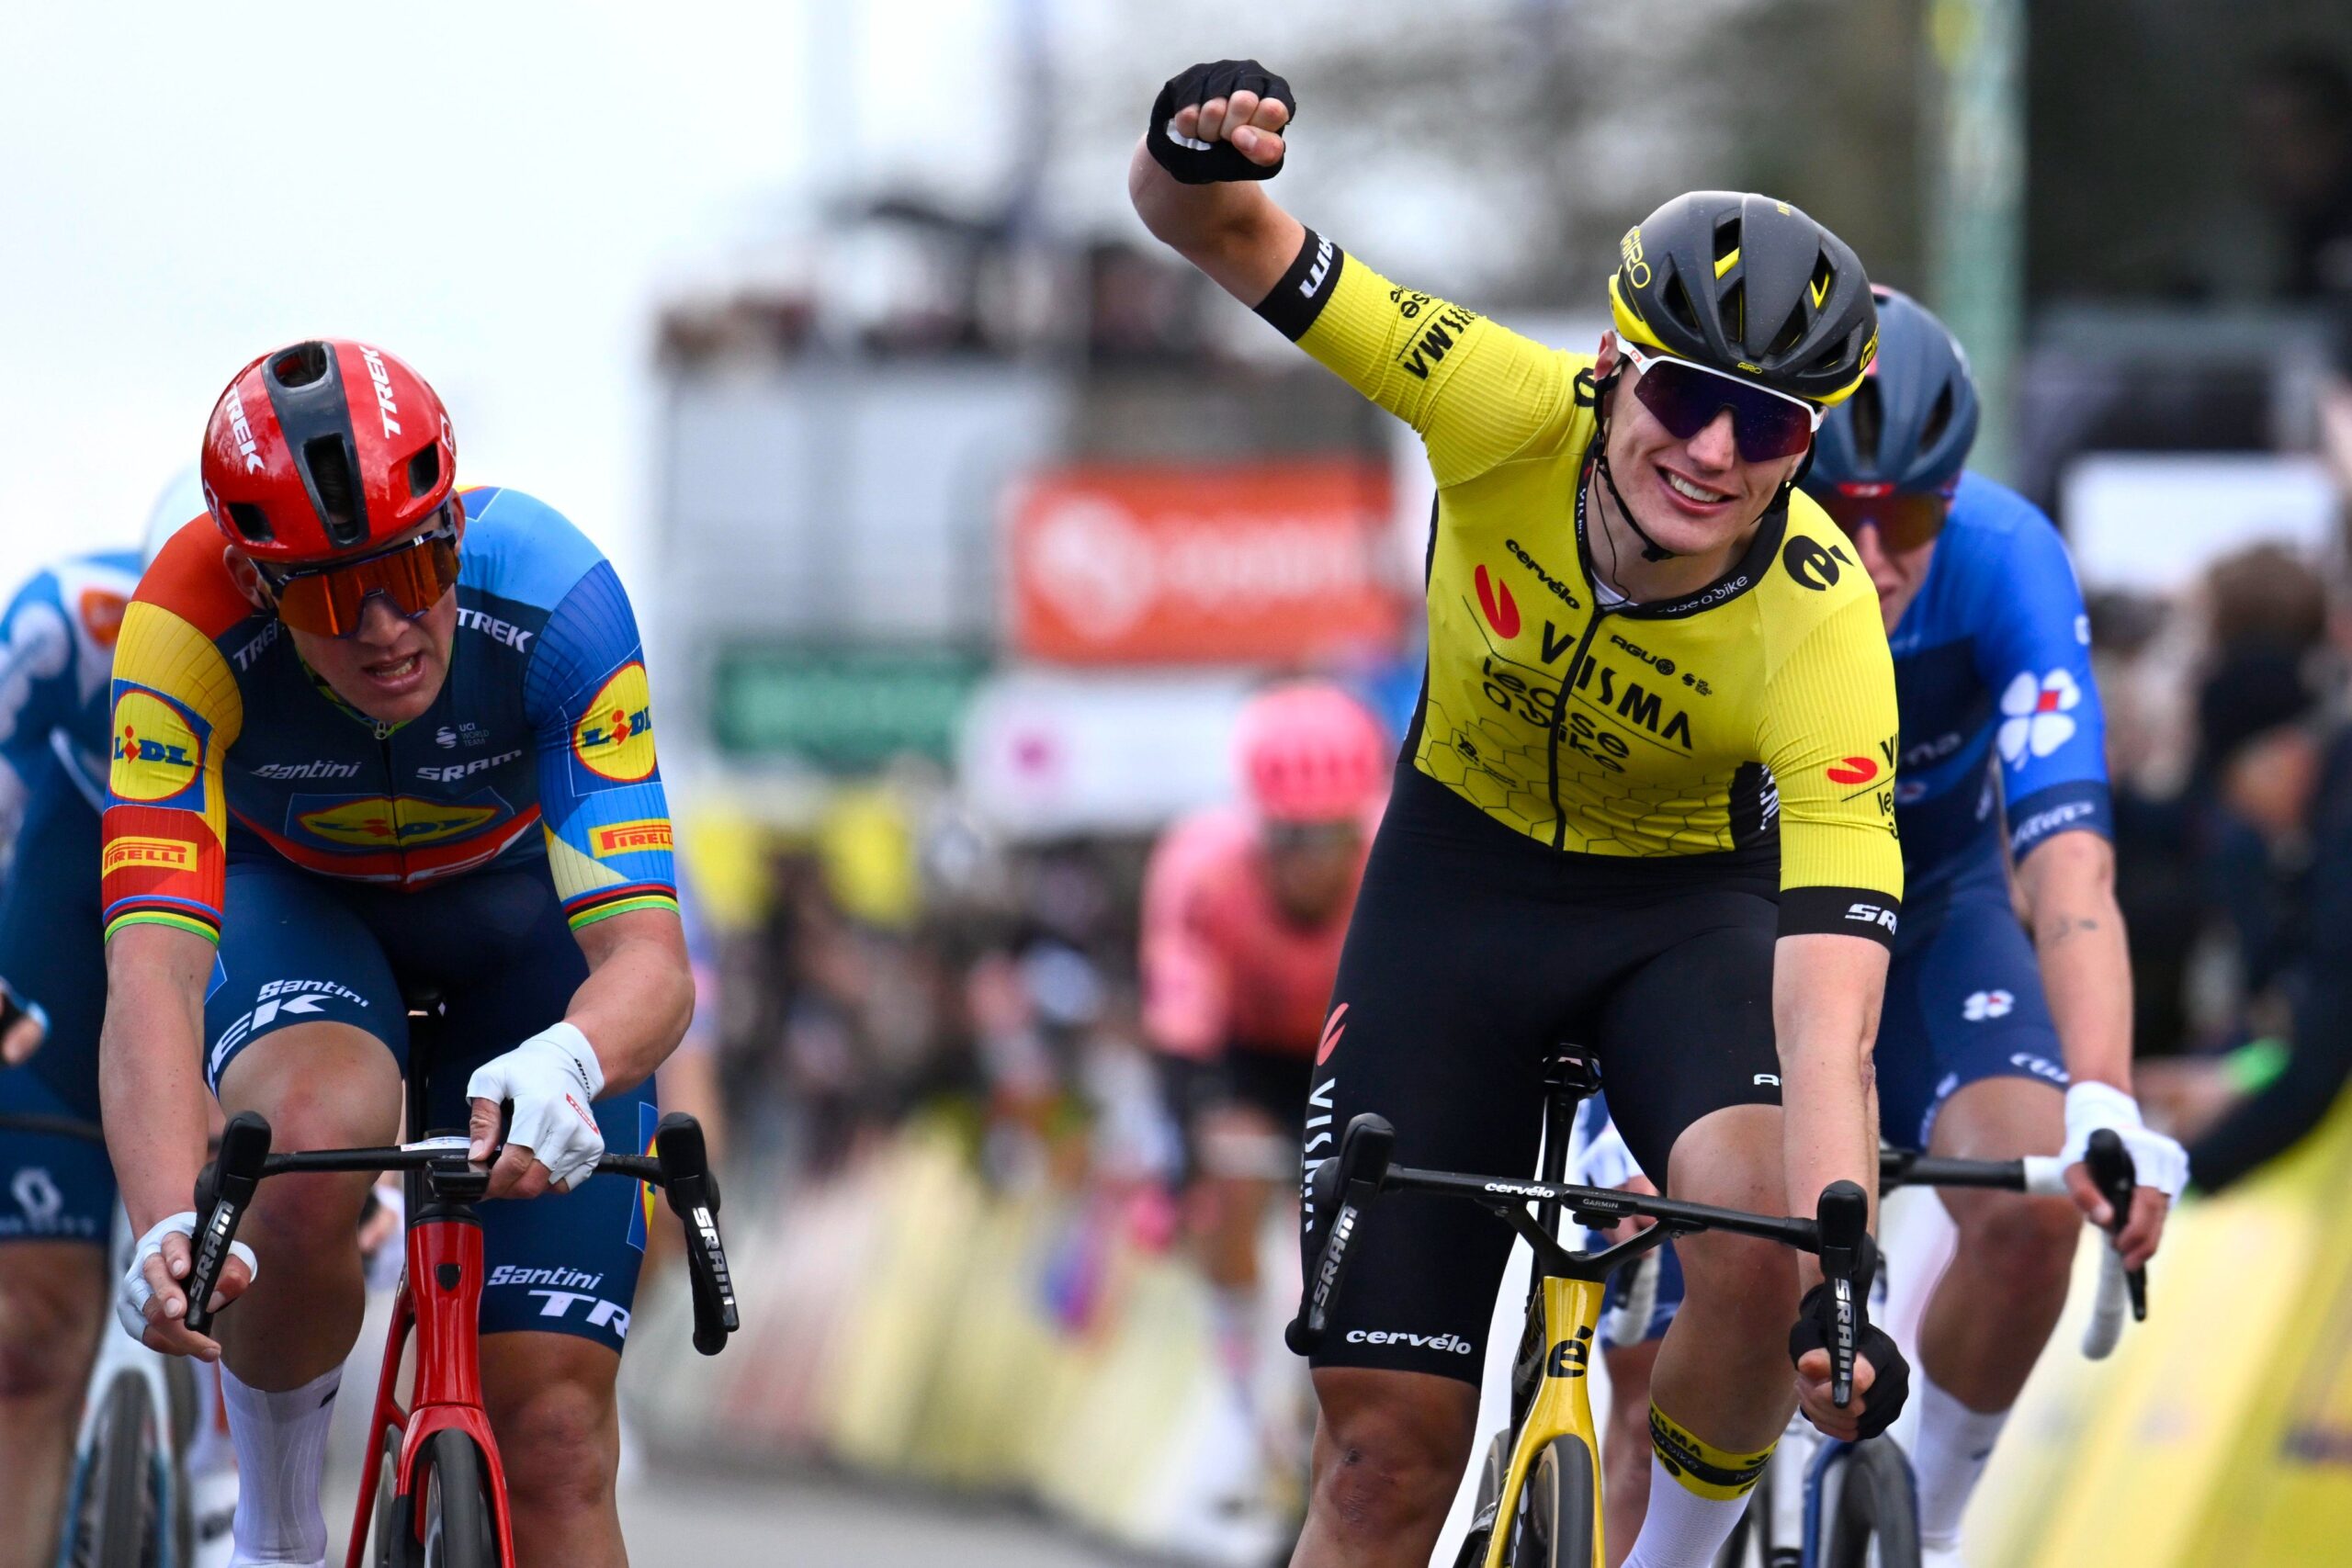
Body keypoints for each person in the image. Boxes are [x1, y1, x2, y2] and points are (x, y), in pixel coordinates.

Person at [1132, 60, 1911, 1568]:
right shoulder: (1494, 401)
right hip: (1458, 888)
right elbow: (1212, 228)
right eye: (1687, 395)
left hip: (1683, 913)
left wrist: (1840, 1270)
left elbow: (1829, 1013)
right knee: (1380, 1463)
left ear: (1810, 444)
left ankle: (1674, 1554)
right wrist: (1187, 152)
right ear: (1615, 364)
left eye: (1769, 426)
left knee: (1759, 1239)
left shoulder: (1821, 624)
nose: (1715, 453)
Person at [1582, 289, 2187, 1568]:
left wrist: (2104, 1094)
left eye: (1906, 517)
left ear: (1949, 499)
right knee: (1664, 1360)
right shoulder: (1695, 550)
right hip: (1715, 926)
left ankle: (1936, 1525)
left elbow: (2068, 858)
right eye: (1835, 510)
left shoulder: (2006, 557)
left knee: (2031, 1205)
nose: (1871, 557)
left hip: (1929, 912)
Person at [100, 340, 693, 1568]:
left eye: (415, 570)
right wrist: (165, 1223)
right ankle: (276, 1532)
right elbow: (151, 973)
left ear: (454, 528)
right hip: (301, 909)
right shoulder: (180, 627)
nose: (384, 630)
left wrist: (575, 1059)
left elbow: (649, 957)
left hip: (521, 938)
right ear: (255, 582)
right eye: (329, 596)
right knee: (308, 1142)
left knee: (557, 1438)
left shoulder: (557, 596)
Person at [0, 473, 208, 1567]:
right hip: (52, 976)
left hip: (225, 957)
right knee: (30, 1344)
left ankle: (240, 1486)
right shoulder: (61, 625)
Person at [1139, 682, 1386, 1480]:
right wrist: (1185, 1163)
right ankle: (1241, 1399)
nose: (1308, 859)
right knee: (1231, 1176)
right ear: (1257, 826)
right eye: (1287, 836)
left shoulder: (1394, 858)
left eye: (1328, 836)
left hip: (1352, 1052)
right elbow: (1180, 1033)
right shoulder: (1200, 867)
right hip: (1248, 1057)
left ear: (1358, 826)